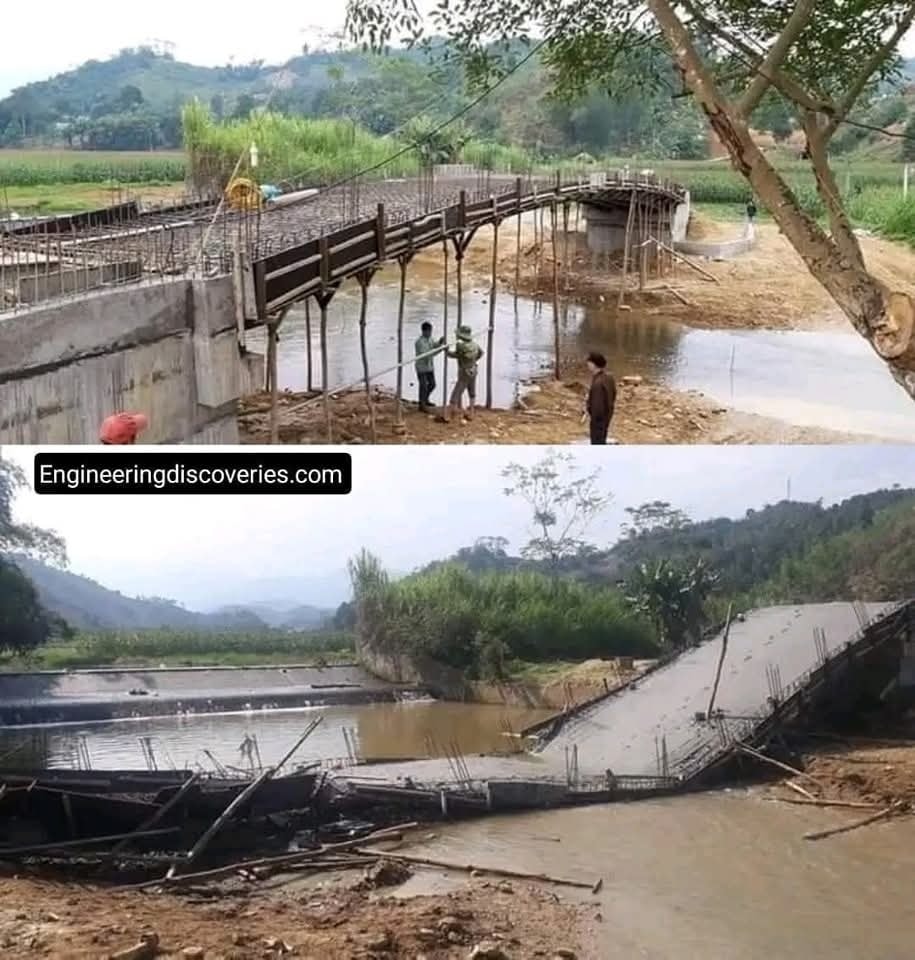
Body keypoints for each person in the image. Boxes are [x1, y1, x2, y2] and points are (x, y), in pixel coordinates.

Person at [445, 325, 484, 422]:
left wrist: (446, 350)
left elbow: (454, 355)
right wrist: (474, 360)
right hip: (473, 369)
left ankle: (450, 414)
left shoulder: (460, 346)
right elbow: (481, 353)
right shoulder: (474, 344)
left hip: (464, 371)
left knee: (457, 391)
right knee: (472, 390)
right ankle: (471, 411)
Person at [583, 352, 616, 445]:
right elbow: (613, 394)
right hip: (607, 415)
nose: (587, 365)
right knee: (602, 439)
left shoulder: (598, 383)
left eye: (589, 362)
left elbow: (597, 407)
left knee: (597, 443)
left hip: (598, 420)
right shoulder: (609, 378)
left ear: (594, 364)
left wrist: (590, 410)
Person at [414, 322, 445, 413]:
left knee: (432, 384)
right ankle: (422, 405)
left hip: (430, 366)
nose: (430, 333)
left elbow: (434, 345)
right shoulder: (419, 342)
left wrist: (440, 342)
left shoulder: (430, 339)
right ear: (424, 331)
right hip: (422, 367)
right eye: (428, 331)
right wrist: (440, 350)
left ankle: (425, 399)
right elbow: (426, 355)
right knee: (423, 386)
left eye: (431, 331)